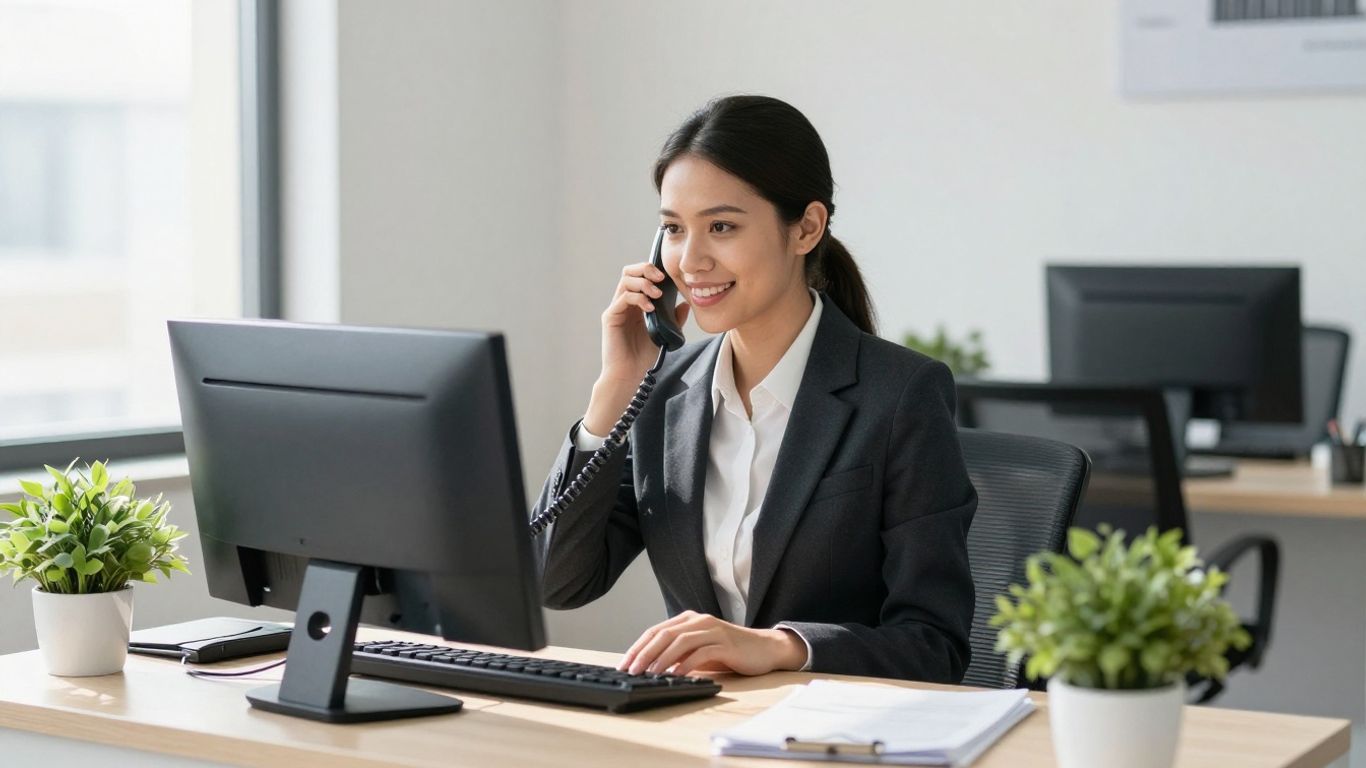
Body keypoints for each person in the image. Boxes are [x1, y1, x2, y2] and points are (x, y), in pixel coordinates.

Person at [531, 95, 976, 683]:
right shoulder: (661, 393)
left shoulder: (901, 395)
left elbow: (934, 646)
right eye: (672, 229)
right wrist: (612, 393)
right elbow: (556, 582)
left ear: (806, 228)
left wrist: (780, 646)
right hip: (701, 728)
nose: (690, 261)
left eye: (721, 227)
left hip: (836, 733)